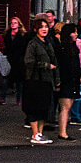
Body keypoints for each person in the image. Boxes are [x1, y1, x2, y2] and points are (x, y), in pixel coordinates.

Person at [22, 15, 57, 145]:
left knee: (44, 108)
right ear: (36, 29)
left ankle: (40, 133)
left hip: (47, 80)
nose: (44, 29)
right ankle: (35, 133)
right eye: (41, 27)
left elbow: (54, 60)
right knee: (34, 108)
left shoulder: (48, 43)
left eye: (46, 26)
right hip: (34, 80)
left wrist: (56, 78)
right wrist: (46, 65)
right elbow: (29, 62)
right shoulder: (33, 44)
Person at [55, 22, 81, 140]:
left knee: (68, 106)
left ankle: (63, 131)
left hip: (72, 81)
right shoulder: (62, 49)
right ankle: (63, 132)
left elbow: (77, 67)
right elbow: (63, 67)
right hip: (65, 81)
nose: (76, 34)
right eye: (74, 32)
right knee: (65, 107)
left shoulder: (72, 48)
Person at [2, 16, 28, 104]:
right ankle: (2, 97)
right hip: (9, 59)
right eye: (12, 23)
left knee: (19, 81)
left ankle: (19, 98)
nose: (13, 24)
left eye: (15, 23)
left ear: (19, 24)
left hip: (19, 60)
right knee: (6, 78)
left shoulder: (23, 35)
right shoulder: (7, 34)